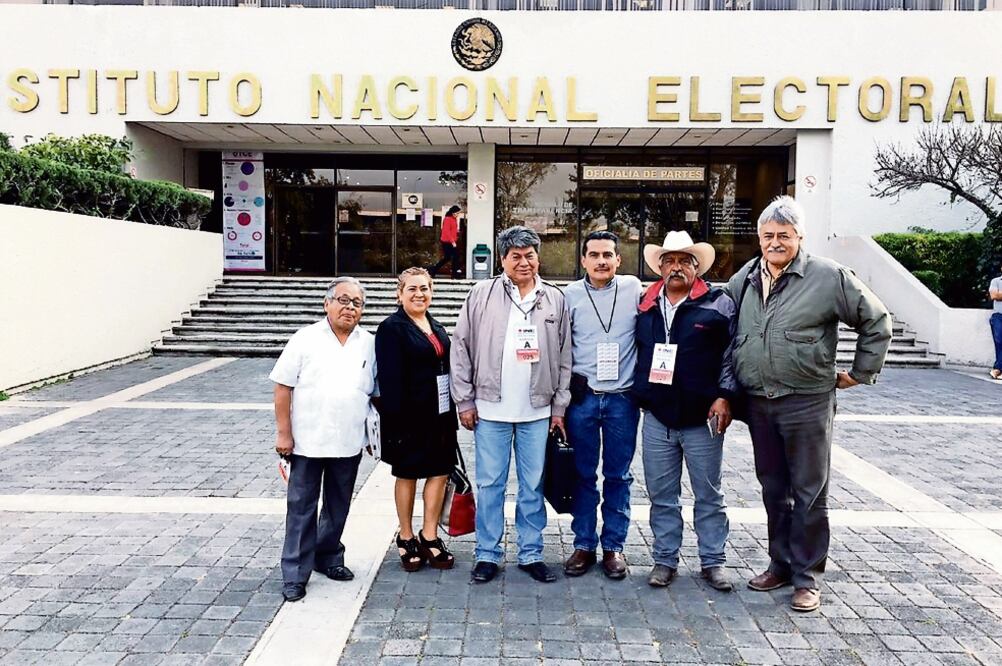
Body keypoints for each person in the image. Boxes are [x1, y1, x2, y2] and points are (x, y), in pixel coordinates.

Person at [726, 195, 891, 612]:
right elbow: (725, 330)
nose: (775, 242)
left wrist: (859, 373)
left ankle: (807, 577)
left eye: (784, 235)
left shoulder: (828, 276)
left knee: (810, 492)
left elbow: (877, 320)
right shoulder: (744, 277)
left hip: (807, 403)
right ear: (758, 237)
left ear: (800, 236)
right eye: (768, 235)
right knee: (773, 490)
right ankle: (780, 565)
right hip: (760, 404)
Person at [450, 225, 572, 584]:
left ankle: (531, 552)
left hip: (537, 411)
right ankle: (487, 553)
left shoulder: (555, 298)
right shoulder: (481, 294)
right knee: (490, 484)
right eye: (515, 256)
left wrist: (560, 407)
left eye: (530, 254)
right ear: (502, 259)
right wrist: (465, 400)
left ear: (538, 256)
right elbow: (461, 347)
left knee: (532, 485)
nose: (524, 262)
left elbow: (565, 356)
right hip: (490, 409)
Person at [632, 231, 737, 591]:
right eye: (669, 261)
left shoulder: (718, 303)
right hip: (658, 417)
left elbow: (731, 355)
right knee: (662, 495)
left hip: (703, 418)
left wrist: (725, 395)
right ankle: (664, 560)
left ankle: (713, 561)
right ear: (660, 267)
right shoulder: (644, 304)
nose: (676, 267)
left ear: (697, 266)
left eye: (684, 261)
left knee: (709, 494)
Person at [270, 277, 378, 603]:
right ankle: (295, 573)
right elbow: (282, 387)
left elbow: (374, 393)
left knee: (338, 506)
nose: (350, 307)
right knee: (301, 508)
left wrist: (374, 435)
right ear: (327, 303)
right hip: (307, 441)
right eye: (343, 300)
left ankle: (328, 556)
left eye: (356, 303)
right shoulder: (305, 339)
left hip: (348, 441)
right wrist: (283, 433)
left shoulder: (368, 343)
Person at [562, 230, 643, 580]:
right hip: (582, 399)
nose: (601, 261)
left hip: (622, 400)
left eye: (607, 254)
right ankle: (583, 544)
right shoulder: (568, 296)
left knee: (618, 476)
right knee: (581, 475)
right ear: (582, 260)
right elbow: (560, 348)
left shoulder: (634, 290)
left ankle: (613, 547)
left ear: (618, 260)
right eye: (593, 255)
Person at [375, 267, 458, 572]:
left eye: (424, 288)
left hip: (441, 415)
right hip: (408, 418)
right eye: (412, 289)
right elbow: (389, 380)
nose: (419, 294)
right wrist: (395, 424)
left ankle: (430, 535)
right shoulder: (391, 328)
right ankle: (406, 535)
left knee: (439, 473)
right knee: (408, 474)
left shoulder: (435, 326)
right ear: (399, 294)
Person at [429, 205, 463, 279]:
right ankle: (434, 270)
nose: (458, 215)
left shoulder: (454, 219)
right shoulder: (447, 219)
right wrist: (452, 241)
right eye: (457, 213)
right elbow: (446, 231)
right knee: (449, 257)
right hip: (447, 242)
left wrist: (456, 237)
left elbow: (453, 230)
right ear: (453, 213)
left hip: (452, 241)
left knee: (454, 257)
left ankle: (453, 273)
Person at [989, 267, 1002, 380]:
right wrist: (998, 295)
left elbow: (998, 295)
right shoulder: (996, 281)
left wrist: (1000, 294)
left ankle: (997, 369)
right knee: (999, 341)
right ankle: (998, 369)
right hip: (998, 316)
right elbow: (994, 296)